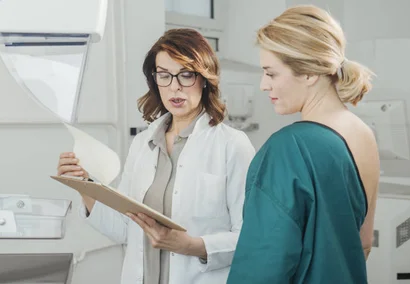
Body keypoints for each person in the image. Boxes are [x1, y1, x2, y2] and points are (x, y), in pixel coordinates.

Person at [57, 28, 255, 284]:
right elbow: (126, 228)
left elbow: (250, 236)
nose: (174, 87)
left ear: (204, 78)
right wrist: (84, 186)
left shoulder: (233, 145)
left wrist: (192, 245)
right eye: (164, 75)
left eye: (185, 75)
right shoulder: (143, 144)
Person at [226, 5, 380, 284]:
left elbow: (262, 267)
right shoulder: (363, 134)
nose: (263, 84)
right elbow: (363, 244)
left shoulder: (288, 149)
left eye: (271, 73)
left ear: (309, 73)